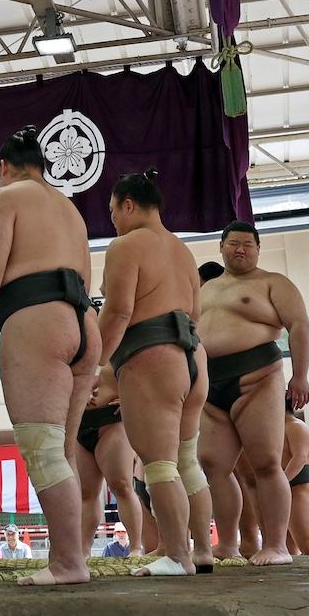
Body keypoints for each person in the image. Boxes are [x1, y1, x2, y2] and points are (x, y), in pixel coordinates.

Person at [0, 125, 102, 587]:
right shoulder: (70, 208)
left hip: (37, 318)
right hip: (84, 322)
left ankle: (69, 563)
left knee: (44, 450)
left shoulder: (5, 197)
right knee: (62, 450)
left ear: (4, 168)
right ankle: (72, 555)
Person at [98, 170, 213, 578]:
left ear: (128, 204)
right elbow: (196, 314)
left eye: (112, 211)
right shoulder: (183, 251)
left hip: (153, 353)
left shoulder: (126, 245)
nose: (112, 220)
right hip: (193, 355)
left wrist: (97, 360)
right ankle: (201, 553)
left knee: (159, 465)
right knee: (187, 461)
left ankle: (179, 557)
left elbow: (119, 311)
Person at [196, 220, 309, 567]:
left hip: (257, 377)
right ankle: (227, 542)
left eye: (247, 243)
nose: (240, 249)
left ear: (258, 249)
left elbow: (299, 325)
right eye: (233, 243)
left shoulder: (273, 283)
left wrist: (301, 376)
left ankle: (277, 544)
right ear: (221, 246)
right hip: (210, 383)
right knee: (214, 465)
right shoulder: (206, 289)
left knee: (265, 462)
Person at [75, 365, 141, 556]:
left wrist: (132, 397)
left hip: (111, 420)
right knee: (86, 494)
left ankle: (136, 547)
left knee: (121, 485)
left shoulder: (120, 343)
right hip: (79, 421)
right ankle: (83, 550)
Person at [282, 409, 309, 557]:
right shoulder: (274, 429)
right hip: (283, 489)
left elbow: (299, 457)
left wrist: (279, 483)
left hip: (300, 487)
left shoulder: (296, 426)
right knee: (287, 549)